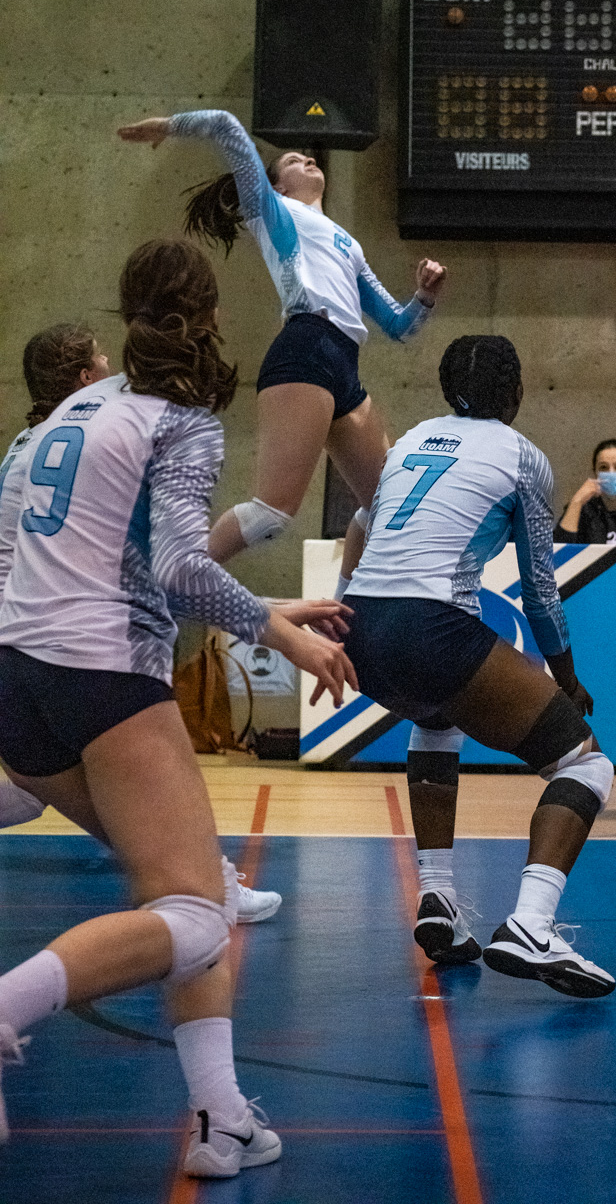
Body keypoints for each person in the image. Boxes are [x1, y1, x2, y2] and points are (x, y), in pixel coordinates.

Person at [0, 240, 357, 1174]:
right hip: (104, 681)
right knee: (200, 915)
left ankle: (221, 1119)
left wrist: (273, 608)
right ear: (207, 317)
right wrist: (287, 637)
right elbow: (176, 570)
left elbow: (84, 568)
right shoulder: (178, 418)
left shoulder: (58, 418)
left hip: (20, 683)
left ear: (126, 313)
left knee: (192, 894)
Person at [344, 335, 615, 997]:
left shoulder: (409, 440)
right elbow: (540, 589)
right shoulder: (522, 456)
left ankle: (437, 897)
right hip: (428, 623)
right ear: (515, 391)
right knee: (584, 762)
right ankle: (531, 924)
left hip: (357, 620)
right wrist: (567, 677)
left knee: (436, 719)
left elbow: (361, 519)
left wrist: (347, 611)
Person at [0, 324, 284, 924]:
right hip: (69, 649)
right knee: (157, 805)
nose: (110, 363)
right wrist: (275, 623)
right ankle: (212, 889)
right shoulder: (107, 437)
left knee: (35, 793)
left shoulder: (36, 439)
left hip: (22, 645)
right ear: (83, 378)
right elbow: (168, 570)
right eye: (100, 356)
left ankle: (207, 887)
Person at [117, 111, 447, 594]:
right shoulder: (272, 211)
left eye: (308, 156)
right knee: (272, 513)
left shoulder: (348, 243)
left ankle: (341, 612)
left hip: (342, 363)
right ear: (278, 188)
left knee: (388, 502)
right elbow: (227, 127)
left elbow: (399, 327)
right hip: (304, 351)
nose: (308, 158)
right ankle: (162, 584)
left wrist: (425, 296)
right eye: (293, 160)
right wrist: (170, 126)